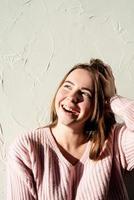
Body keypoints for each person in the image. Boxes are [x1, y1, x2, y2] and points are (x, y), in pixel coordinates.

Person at [6, 58, 134, 200]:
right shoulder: (26, 148)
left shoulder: (114, 141)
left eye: (85, 93)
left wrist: (113, 99)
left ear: (97, 105)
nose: (72, 97)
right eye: (67, 86)